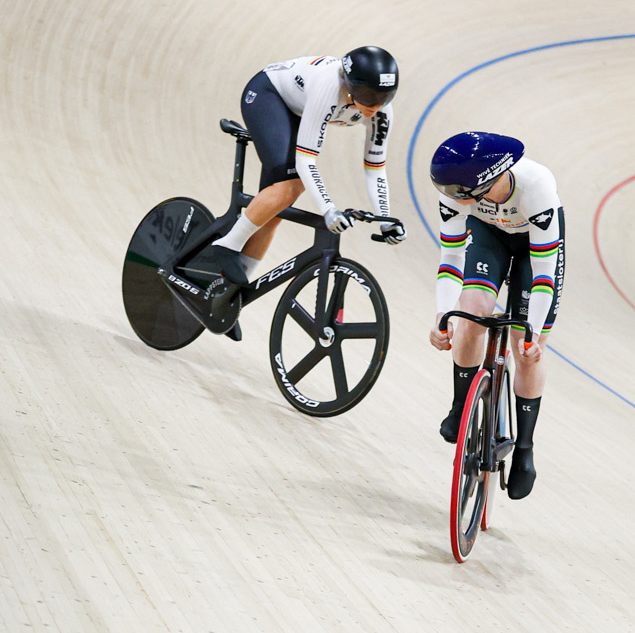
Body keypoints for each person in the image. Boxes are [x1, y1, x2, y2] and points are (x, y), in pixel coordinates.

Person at [187, 46, 406, 305]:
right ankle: (227, 245)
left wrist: (385, 219)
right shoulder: (329, 87)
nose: (376, 105)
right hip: (268, 94)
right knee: (292, 186)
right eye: (368, 96)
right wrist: (328, 209)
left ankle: (227, 297)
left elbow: (375, 169)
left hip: (297, 109)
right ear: (349, 84)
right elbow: (306, 161)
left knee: (275, 214)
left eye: (385, 97)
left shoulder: (382, 112)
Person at [428, 131, 564, 499]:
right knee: (471, 313)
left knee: (525, 345)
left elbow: (544, 274)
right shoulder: (457, 189)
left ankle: (524, 449)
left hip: (534, 250)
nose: (452, 198)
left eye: (460, 193)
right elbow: (451, 257)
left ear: (487, 181)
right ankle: (461, 405)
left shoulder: (537, 187)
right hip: (489, 236)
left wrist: (534, 333)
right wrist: (443, 315)